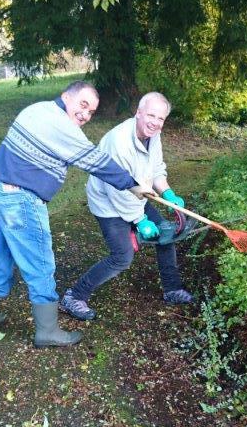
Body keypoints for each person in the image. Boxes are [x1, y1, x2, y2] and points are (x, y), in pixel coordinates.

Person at [0, 81, 148, 348]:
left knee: (2, 258)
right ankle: (47, 331)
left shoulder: (38, 109)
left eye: (91, 111)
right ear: (66, 96)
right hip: (20, 200)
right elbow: (95, 161)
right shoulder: (60, 124)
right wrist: (132, 184)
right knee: (41, 266)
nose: (86, 114)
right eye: (83, 104)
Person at [60, 91, 193, 321]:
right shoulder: (119, 142)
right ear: (138, 113)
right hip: (108, 201)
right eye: (151, 115)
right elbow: (116, 189)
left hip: (138, 195)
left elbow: (156, 168)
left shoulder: (153, 135)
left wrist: (168, 193)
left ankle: (172, 289)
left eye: (161, 118)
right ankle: (74, 296)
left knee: (165, 234)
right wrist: (140, 221)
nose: (155, 122)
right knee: (122, 256)